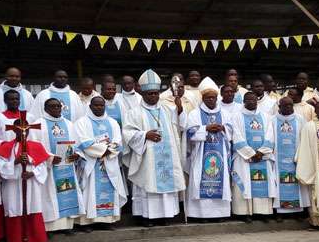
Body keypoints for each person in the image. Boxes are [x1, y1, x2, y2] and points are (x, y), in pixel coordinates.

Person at [123, 69, 186, 226]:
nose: (153, 96)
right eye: (149, 94)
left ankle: (165, 215)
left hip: (167, 156)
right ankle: (147, 217)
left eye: (155, 93)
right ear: (143, 94)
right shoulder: (135, 113)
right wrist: (144, 135)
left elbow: (181, 126)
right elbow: (128, 133)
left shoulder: (167, 109)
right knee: (148, 184)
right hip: (146, 157)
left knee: (165, 186)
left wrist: (180, 110)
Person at [0, 119, 50, 242]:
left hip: (31, 184)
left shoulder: (37, 146)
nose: (24, 131)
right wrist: (15, 162)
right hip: (13, 184)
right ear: (14, 129)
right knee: (15, 210)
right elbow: (0, 166)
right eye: (20, 128)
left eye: (27, 128)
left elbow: (43, 166)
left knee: (32, 208)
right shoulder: (6, 146)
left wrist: (32, 173)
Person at [183, 78, 233, 221]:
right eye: (208, 98)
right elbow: (190, 132)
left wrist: (223, 128)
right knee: (200, 181)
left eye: (213, 97)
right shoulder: (194, 113)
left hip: (220, 153)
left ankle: (220, 214)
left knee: (220, 182)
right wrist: (206, 128)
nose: (211, 100)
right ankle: (201, 215)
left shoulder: (224, 113)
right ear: (202, 98)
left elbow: (231, 129)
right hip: (200, 153)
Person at [31, 98, 83, 234]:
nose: (56, 109)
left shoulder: (69, 124)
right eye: (52, 107)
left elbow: (77, 144)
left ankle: (66, 226)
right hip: (49, 168)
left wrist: (77, 154)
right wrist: (49, 158)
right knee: (50, 196)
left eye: (58, 106)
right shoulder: (38, 124)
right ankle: (51, 228)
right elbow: (34, 146)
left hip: (67, 167)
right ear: (46, 108)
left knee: (67, 194)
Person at [75, 97, 127, 229]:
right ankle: (88, 222)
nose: (99, 108)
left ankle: (107, 221)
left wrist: (107, 150)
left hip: (109, 163)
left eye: (101, 105)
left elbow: (118, 142)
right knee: (89, 191)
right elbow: (83, 142)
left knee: (110, 189)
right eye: (96, 105)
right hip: (91, 163)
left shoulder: (113, 122)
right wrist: (103, 150)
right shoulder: (82, 122)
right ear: (90, 106)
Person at [231, 92, 276, 221]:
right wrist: (250, 153)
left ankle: (263, 213)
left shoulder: (266, 116)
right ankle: (245, 213)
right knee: (245, 182)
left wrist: (261, 152)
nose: (251, 102)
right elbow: (236, 136)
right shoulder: (237, 116)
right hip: (243, 158)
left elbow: (270, 135)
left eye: (253, 99)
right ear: (244, 102)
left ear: (257, 100)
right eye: (248, 100)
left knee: (263, 182)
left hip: (262, 157)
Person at [272, 97, 310, 217]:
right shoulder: (273, 120)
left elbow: (305, 138)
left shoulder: (300, 119)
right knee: (278, 184)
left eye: (290, 105)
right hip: (278, 160)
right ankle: (280, 213)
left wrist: (301, 156)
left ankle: (298, 212)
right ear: (279, 107)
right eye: (285, 105)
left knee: (297, 184)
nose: (289, 107)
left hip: (296, 158)